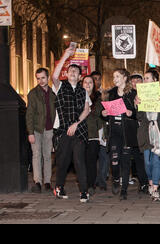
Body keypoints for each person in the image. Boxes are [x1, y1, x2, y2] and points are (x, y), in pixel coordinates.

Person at [52, 46, 91, 203]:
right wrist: (65, 56)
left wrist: (76, 124)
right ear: (67, 74)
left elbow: (87, 110)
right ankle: (59, 188)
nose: (73, 72)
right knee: (63, 161)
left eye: (76, 71)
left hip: (79, 131)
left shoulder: (84, 91)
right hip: (63, 131)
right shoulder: (60, 86)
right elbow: (54, 75)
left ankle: (84, 192)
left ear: (80, 76)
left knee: (79, 161)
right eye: (71, 71)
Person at [102, 68, 147, 200]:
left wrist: (131, 112)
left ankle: (124, 190)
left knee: (126, 161)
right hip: (114, 131)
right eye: (114, 77)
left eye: (117, 76)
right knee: (114, 160)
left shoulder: (133, 94)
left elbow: (138, 113)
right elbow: (104, 112)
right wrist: (103, 114)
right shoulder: (110, 93)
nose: (114, 79)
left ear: (124, 78)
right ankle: (116, 178)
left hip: (127, 131)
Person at [135, 69, 160, 202]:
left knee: (156, 160)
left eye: (147, 78)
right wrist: (137, 105)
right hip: (145, 132)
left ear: (155, 80)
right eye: (144, 78)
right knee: (147, 161)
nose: (144, 80)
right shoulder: (140, 95)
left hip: (159, 132)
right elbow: (138, 116)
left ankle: (155, 188)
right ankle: (150, 181)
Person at [26, 68, 56, 193]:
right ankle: (37, 181)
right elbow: (29, 114)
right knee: (36, 155)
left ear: (48, 78)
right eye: (38, 78)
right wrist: (30, 132)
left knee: (47, 155)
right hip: (37, 129)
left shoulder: (54, 93)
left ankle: (47, 181)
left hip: (50, 128)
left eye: (43, 78)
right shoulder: (33, 93)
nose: (40, 80)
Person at [82, 75, 103, 196]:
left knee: (91, 161)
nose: (88, 84)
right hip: (80, 134)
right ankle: (83, 183)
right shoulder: (78, 97)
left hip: (93, 134)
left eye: (90, 82)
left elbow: (100, 116)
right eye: (86, 82)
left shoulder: (98, 99)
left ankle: (91, 184)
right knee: (81, 161)